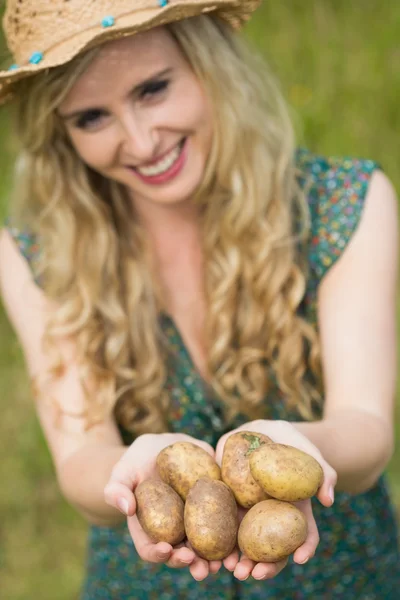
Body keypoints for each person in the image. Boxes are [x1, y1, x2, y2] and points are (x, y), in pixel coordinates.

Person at [0, 0, 399, 598]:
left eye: (153, 89)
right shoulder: (37, 253)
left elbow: (366, 428)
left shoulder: (344, 203)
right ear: (58, 131)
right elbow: (80, 458)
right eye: (90, 118)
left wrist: (305, 445)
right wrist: (129, 469)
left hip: (340, 579)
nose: (139, 141)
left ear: (209, 65)